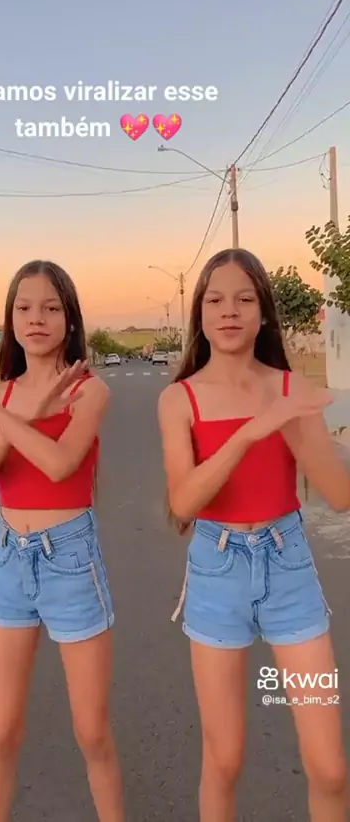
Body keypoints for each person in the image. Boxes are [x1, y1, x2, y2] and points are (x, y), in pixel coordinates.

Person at [157, 248, 350, 822]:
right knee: (224, 759)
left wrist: (289, 420)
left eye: (244, 299)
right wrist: (248, 433)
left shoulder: (291, 388)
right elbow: (183, 503)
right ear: (199, 314)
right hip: (216, 572)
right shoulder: (180, 398)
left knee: (330, 768)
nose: (229, 311)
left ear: (263, 312)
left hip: (289, 570)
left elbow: (338, 494)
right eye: (215, 300)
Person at [0, 260, 125, 822]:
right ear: (11, 319)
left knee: (91, 730)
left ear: (70, 318)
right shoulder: (3, 392)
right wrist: (15, 410)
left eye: (50, 307)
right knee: (2, 727)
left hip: (70, 557)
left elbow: (59, 464)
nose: (36, 318)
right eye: (24, 308)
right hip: (9, 559)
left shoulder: (89, 390)